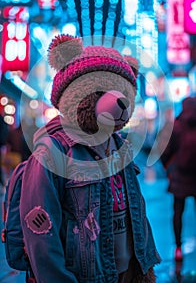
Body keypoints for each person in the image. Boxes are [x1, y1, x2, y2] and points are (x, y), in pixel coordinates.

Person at [20, 34, 161, 283]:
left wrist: (145, 266)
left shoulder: (120, 149)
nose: (120, 101)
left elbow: (136, 215)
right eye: (102, 90)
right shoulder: (52, 153)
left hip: (127, 273)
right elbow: (40, 235)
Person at [161, 96, 196, 262]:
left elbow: (165, 151)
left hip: (179, 177)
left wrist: (167, 168)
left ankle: (178, 247)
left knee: (178, 212)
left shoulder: (176, 126)